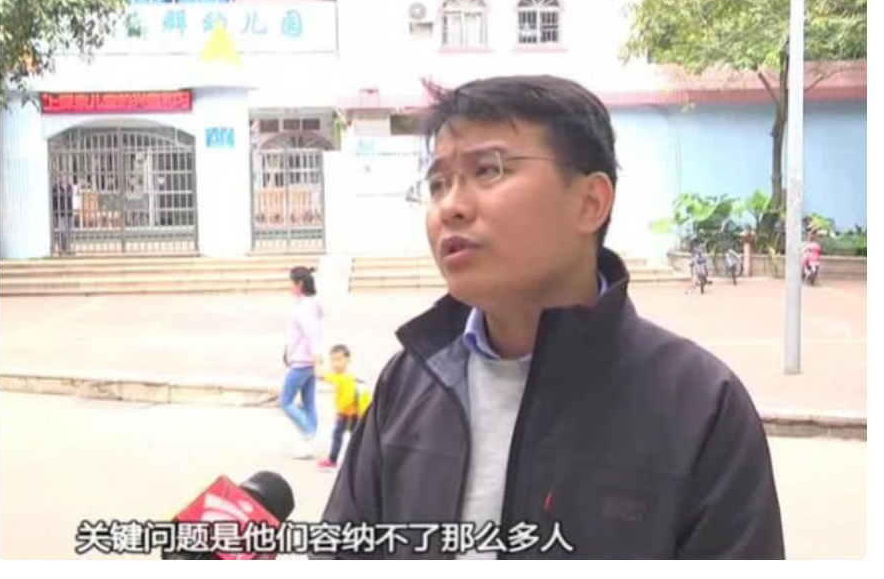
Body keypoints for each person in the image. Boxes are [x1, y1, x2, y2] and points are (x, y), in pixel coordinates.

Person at [319, 75, 784, 559]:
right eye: (438, 184)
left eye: (489, 170)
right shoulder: (407, 385)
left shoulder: (701, 405)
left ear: (590, 203)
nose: (451, 206)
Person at [281, 266, 324, 460]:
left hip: (302, 361)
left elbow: (311, 334)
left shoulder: (305, 307)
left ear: (300, 284)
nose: (289, 286)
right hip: (304, 360)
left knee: (286, 402)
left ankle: (308, 433)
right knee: (308, 402)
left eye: (291, 282)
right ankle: (309, 443)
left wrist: (317, 358)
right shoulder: (309, 303)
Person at [316, 345, 372, 471]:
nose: (335, 364)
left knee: (347, 437)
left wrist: (339, 411)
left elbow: (348, 399)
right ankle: (344, 460)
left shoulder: (347, 378)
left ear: (347, 360)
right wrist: (317, 363)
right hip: (347, 414)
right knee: (347, 436)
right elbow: (322, 376)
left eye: (338, 359)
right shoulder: (338, 376)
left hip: (350, 415)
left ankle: (337, 460)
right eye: (332, 360)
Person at [51, 174, 74, 255]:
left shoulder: (69, 186)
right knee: (62, 232)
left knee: (69, 232)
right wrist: (54, 213)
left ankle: (68, 249)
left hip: (69, 212)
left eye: (65, 176)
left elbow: (70, 197)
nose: (63, 177)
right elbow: (53, 201)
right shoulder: (55, 187)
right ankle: (62, 249)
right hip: (60, 213)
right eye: (62, 176)